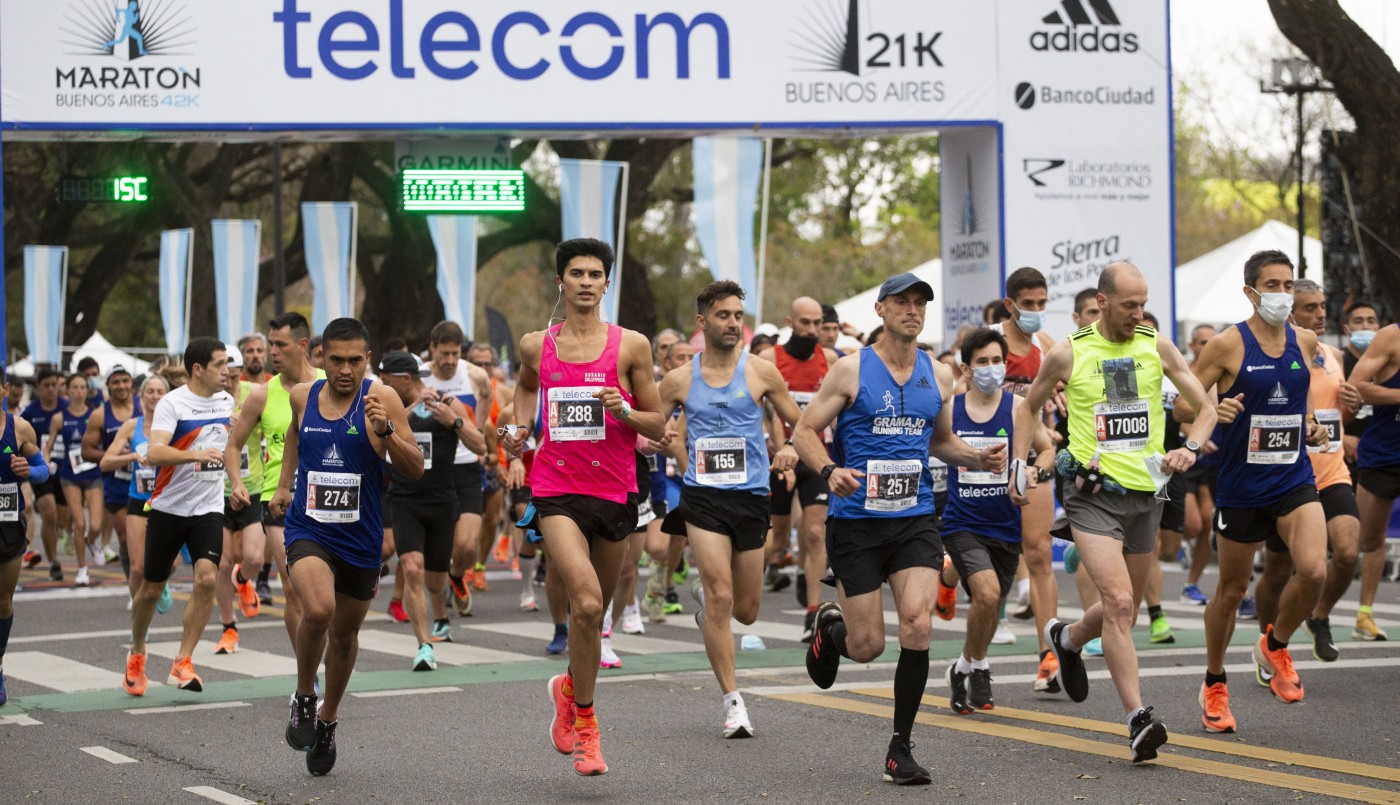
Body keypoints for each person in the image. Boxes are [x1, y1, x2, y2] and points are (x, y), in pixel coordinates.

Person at [799, 272, 1006, 785]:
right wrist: (830, 470)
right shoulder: (850, 371)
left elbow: (942, 442)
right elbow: (805, 432)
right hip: (857, 523)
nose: (912, 310)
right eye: (902, 303)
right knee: (867, 645)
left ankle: (901, 748)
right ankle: (832, 631)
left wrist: (976, 458)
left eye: (920, 304)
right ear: (880, 310)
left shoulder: (937, 376)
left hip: (914, 518)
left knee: (917, 624)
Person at [1013, 263, 1216, 761]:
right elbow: (1027, 407)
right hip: (1092, 492)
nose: (1139, 313)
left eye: (1143, 304)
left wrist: (1190, 446)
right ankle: (1138, 719)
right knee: (1123, 603)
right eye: (1129, 305)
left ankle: (1068, 637)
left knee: (1120, 603)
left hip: (1148, 491)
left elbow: (1205, 407)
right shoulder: (1068, 353)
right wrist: (1019, 465)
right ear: (1102, 302)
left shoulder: (1157, 346)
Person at [503, 238, 669, 777]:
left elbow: (658, 424)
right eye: (576, 273)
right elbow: (524, 393)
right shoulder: (537, 345)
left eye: (595, 274)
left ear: (606, 283)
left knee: (596, 609)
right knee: (590, 605)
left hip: (616, 490)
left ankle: (568, 689)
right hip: (556, 489)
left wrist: (624, 410)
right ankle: (589, 728)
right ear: (561, 282)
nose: (585, 282)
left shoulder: (630, 347)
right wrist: (518, 432)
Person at [1181, 250, 1328, 732]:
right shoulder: (1226, 345)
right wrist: (1213, 411)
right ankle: (1215, 682)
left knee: (1313, 571)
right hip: (1242, 486)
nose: (1282, 295)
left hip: (1293, 478)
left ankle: (1275, 645)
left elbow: (1298, 399)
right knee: (1231, 591)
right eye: (1272, 285)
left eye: (1288, 285)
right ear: (1250, 292)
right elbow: (1184, 409)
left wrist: (1311, 426)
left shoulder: (1304, 341)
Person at [269, 318, 421, 776]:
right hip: (309, 529)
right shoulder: (303, 396)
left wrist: (388, 432)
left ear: (367, 359)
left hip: (361, 538)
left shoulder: (383, 398)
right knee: (316, 610)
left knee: (344, 636)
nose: (346, 370)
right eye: (336, 360)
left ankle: (328, 720)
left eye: (356, 360)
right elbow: (296, 435)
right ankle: (303, 696)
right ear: (319, 357)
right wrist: (283, 484)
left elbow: (415, 469)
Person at [655, 280, 803, 738]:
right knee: (720, 596)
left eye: (739, 315)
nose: (734, 323)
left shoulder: (760, 372)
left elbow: (801, 422)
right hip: (702, 498)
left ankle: (710, 608)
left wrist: (792, 449)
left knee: (748, 611)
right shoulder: (679, 380)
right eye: (724, 315)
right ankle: (733, 702)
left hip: (752, 497)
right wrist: (650, 440)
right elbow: (649, 427)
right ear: (703, 322)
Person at [938, 328, 1053, 714]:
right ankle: (979, 665)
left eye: (997, 361)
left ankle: (967, 664)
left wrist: (1036, 471)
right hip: (961, 521)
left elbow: (1048, 448)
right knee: (986, 594)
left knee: (989, 608)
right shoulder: (950, 409)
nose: (991, 369)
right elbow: (934, 447)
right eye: (982, 362)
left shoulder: (1020, 408)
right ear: (966, 369)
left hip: (1005, 526)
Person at [1252, 280, 1361, 663]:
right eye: (1310, 308)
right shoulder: (1275, 354)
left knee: (1348, 551)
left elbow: (1337, 412)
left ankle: (1319, 615)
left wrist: (1350, 415)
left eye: (1322, 306)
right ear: (1291, 313)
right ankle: (1270, 643)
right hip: (1289, 475)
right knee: (1279, 571)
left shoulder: (1333, 354)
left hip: (1330, 471)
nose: (1320, 314)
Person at [124, 338, 238, 698]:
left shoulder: (226, 400)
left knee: (207, 579)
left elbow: (227, 447)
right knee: (150, 588)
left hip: (208, 507)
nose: (227, 371)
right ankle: (138, 650)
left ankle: (183, 661)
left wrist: (235, 481)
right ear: (198, 369)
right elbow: (155, 452)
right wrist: (194, 455)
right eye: (220, 364)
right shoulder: (172, 403)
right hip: (169, 508)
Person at [379, 351, 485, 669]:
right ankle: (423, 645)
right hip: (404, 500)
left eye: (387, 380)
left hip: (441, 501)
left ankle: (441, 615)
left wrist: (451, 421)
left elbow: (480, 444)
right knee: (411, 568)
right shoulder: (389, 408)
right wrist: (410, 411)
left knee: (435, 580)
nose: (382, 385)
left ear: (405, 378)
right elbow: (378, 442)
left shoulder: (446, 402)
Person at [226, 313, 324, 651]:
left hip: (326, 495)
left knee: (327, 594)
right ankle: (306, 671)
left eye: (279, 345)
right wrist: (237, 482)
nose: (272, 352)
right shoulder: (261, 395)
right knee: (294, 587)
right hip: (279, 498)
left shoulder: (330, 382)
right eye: (270, 345)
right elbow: (233, 446)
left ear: (301, 345)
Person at [990, 267, 1062, 693]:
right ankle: (948, 577)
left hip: (1033, 455)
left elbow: (1070, 387)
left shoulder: (1047, 346)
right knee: (988, 551)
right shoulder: (986, 339)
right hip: (987, 456)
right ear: (1011, 304)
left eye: (1042, 303)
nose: (1036, 312)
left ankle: (1047, 656)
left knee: (1038, 551)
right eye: (1028, 305)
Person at [756, 296, 841, 641]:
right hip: (779, 459)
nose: (811, 330)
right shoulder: (769, 359)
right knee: (777, 543)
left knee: (815, 532)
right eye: (804, 323)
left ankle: (813, 612)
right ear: (790, 322)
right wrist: (783, 450)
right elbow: (771, 412)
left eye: (817, 323)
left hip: (816, 457)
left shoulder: (831, 360)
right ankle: (737, 591)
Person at [421, 322, 493, 605]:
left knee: (466, 545)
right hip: (433, 467)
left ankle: (456, 573)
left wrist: (476, 430)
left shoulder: (474, 375)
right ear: (432, 348)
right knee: (438, 540)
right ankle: (438, 596)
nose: (450, 361)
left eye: (455, 353)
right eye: (444, 354)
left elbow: (486, 397)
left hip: (466, 465)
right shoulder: (421, 376)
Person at [1341, 298, 1391, 641]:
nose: (1365, 326)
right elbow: (1353, 389)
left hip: (1373, 449)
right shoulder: (1338, 359)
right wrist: (1341, 437)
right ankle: (1345, 612)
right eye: (1358, 320)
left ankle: (1363, 614)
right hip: (1372, 455)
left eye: (1370, 318)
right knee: (1358, 545)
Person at [213, 351, 267, 655]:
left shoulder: (254, 395)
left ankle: (244, 579)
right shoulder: (207, 399)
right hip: (215, 491)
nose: (229, 379)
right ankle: (228, 627)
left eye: (233, 372)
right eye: (223, 372)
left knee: (254, 558)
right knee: (221, 563)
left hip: (252, 486)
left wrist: (246, 419)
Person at [0, 372, 49, 706]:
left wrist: (28, 472)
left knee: (3, 601)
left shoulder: (18, 428)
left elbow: (44, 470)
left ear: (4, 389)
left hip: (6, 523)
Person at [100, 375, 170, 607]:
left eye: (160, 392)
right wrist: (133, 456)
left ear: (167, 396)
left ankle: (160, 580)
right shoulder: (132, 426)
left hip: (168, 500)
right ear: (141, 396)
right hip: (138, 500)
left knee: (172, 561)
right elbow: (106, 462)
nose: (155, 396)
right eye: (150, 391)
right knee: (137, 567)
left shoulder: (176, 425)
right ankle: (139, 617)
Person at [1177, 324, 1221, 608]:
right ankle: (1174, 543)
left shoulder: (1223, 371)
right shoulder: (1182, 370)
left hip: (1214, 458)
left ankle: (1191, 584)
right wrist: (1195, 436)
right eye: (1202, 342)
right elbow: (1177, 411)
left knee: (1208, 523)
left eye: (1212, 341)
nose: (1207, 346)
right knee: (1192, 525)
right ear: (1192, 346)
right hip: (1187, 454)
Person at [82, 367, 135, 587]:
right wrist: (114, 455)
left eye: (125, 381)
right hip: (117, 483)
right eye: (116, 382)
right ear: (108, 386)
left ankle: (154, 578)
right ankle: (134, 584)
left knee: (153, 538)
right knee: (125, 537)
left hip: (148, 480)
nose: (121, 386)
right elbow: (86, 451)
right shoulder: (100, 415)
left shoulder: (146, 406)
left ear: (131, 383)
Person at [50, 374, 102, 587]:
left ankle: (92, 542)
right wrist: (45, 463)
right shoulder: (59, 418)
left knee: (96, 525)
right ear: (68, 391)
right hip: (69, 475)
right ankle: (82, 569)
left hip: (92, 472)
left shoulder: (95, 414)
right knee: (79, 523)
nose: (79, 391)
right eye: (75, 387)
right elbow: (49, 444)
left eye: (82, 387)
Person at [19, 369, 66, 580]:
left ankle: (64, 537)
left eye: (54, 384)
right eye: (46, 385)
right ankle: (54, 561)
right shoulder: (30, 413)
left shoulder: (67, 408)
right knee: (50, 514)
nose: (50, 389)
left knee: (63, 520)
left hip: (66, 471)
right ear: (38, 387)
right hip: (42, 471)